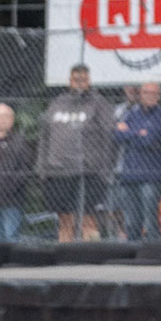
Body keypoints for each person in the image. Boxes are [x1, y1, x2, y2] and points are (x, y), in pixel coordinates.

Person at [38, 64, 117, 243]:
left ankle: (90, 258)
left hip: (88, 173)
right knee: (65, 221)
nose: (79, 83)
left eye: (83, 80)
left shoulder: (99, 103)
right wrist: (43, 168)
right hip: (58, 172)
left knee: (88, 221)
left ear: (89, 80)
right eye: (76, 80)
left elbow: (109, 137)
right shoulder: (58, 102)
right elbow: (44, 136)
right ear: (70, 81)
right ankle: (64, 257)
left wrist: (104, 170)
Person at [112, 81, 161, 241]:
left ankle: (153, 253)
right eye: (146, 93)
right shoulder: (131, 113)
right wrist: (139, 133)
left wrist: (130, 132)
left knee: (150, 219)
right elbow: (117, 136)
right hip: (129, 174)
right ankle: (133, 254)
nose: (150, 96)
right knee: (131, 221)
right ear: (140, 95)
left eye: (154, 93)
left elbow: (150, 139)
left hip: (151, 176)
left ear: (159, 96)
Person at [0, 102, 34, 242]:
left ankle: (11, 264)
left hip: (11, 201)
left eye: (6, 116)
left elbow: (24, 170)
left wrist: (8, 189)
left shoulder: (20, 141)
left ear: (12, 120)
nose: (3, 119)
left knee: (11, 238)